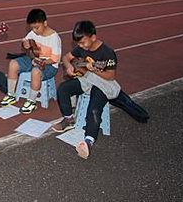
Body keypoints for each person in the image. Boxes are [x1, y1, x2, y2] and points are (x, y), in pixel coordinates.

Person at [51, 20, 149, 159]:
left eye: (83, 42)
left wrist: (94, 70)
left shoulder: (107, 53)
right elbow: (66, 58)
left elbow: (110, 76)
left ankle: (89, 140)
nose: (80, 46)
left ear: (93, 37)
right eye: (78, 43)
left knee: (94, 107)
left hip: (103, 84)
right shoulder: (82, 47)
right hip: (87, 80)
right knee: (63, 89)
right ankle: (68, 119)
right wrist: (69, 66)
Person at [0, 8, 61, 114]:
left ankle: (32, 101)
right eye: (32, 28)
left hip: (49, 65)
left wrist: (41, 62)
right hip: (34, 59)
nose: (35, 31)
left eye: (37, 27)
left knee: (36, 72)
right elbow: (25, 42)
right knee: (13, 64)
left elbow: (55, 59)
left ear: (45, 23)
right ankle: (11, 94)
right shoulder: (33, 33)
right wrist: (25, 44)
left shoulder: (54, 38)